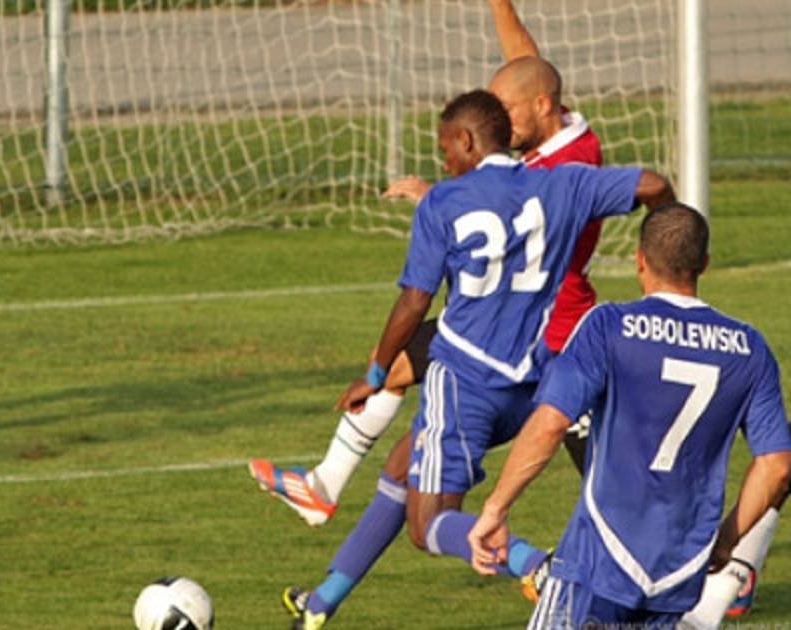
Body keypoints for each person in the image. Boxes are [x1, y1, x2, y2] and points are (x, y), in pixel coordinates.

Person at [282, 88, 674, 630]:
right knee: (403, 463)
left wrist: (376, 373)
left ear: (466, 140)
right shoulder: (564, 184)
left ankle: (539, 568)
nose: (444, 162)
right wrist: (663, 264)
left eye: (445, 149)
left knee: (428, 526)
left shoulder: (444, 202)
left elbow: (414, 302)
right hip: (529, 387)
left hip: (464, 382)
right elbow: (654, 185)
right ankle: (321, 604)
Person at [250, 0, 602, 528]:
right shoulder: (556, 125)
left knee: (602, 473)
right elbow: (524, 64)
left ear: (542, 105)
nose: (499, 121)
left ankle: (535, 561)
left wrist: (441, 201)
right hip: (509, 312)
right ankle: (323, 493)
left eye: (507, 111)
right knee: (399, 398)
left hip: (543, 330)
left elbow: (502, 217)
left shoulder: (568, 165)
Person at [468, 203, 791, 627]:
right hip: (678, 572)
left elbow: (551, 423)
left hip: (597, 560)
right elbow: (777, 466)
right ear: (704, 264)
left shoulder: (608, 325)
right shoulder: (750, 349)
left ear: (640, 259)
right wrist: (727, 541)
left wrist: (495, 509)